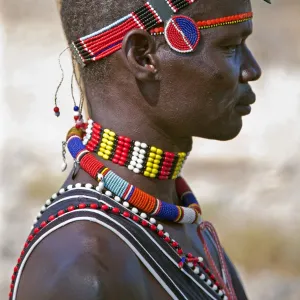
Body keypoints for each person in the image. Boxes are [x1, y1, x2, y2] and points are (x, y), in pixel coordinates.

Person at [9, 0, 270, 299]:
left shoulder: (192, 234)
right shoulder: (82, 269)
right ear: (144, 55)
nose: (252, 70)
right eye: (229, 48)